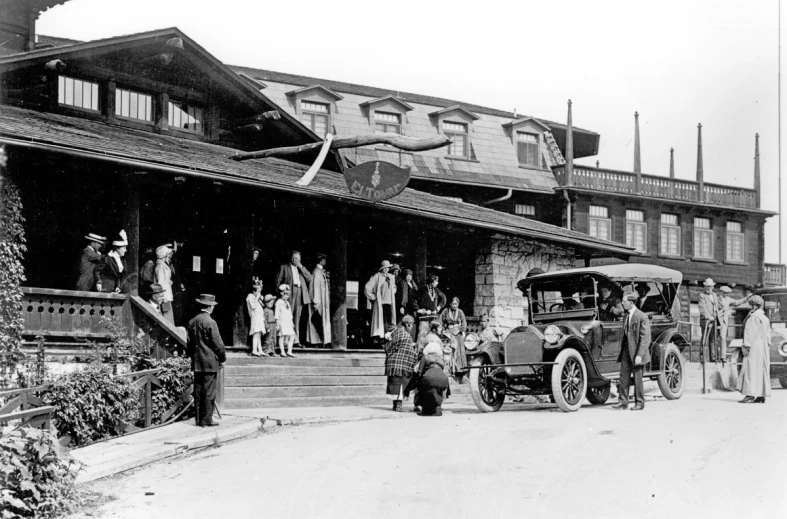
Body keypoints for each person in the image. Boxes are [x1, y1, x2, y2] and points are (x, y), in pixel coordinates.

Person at [186, 293, 226, 428]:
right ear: (209, 307)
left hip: (197, 361)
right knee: (209, 391)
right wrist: (222, 358)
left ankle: (199, 419)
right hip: (209, 361)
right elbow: (218, 344)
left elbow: (189, 345)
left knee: (198, 390)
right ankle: (207, 419)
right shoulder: (210, 322)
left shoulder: (192, 321)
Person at [612, 293, 651, 411]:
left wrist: (639, 355)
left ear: (631, 303)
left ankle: (639, 403)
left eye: (624, 301)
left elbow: (645, 338)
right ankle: (622, 402)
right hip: (626, 352)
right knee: (623, 377)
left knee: (638, 378)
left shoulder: (642, 316)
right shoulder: (626, 315)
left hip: (637, 353)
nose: (622, 303)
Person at [737, 295, 771, 403]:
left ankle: (750, 394)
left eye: (752, 305)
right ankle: (762, 395)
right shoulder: (765, 318)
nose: (751, 307)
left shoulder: (753, 318)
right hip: (763, 347)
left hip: (754, 346)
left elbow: (749, 333)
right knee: (761, 369)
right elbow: (769, 336)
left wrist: (746, 346)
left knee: (750, 368)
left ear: (755, 306)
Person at [275, 251, 313, 347]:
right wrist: (282, 293)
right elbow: (277, 282)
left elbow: (310, 278)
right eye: (293, 258)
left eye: (296, 258)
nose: (294, 260)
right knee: (287, 316)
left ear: (300, 260)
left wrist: (301, 266)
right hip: (289, 293)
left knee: (297, 317)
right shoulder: (284, 267)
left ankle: (295, 340)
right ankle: (285, 341)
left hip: (300, 292)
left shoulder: (301, 269)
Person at [382, 317, 419, 412]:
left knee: (396, 384)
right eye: (411, 325)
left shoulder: (397, 333)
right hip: (400, 364)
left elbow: (389, 346)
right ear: (407, 324)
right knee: (400, 385)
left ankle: (396, 405)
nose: (411, 328)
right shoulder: (404, 334)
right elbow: (406, 350)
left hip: (393, 364)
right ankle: (398, 405)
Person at [364, 260, 397, 342]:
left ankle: (388, 338)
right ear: (381, 269)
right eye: (384, 268)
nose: (386, 270)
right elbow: (367, 287)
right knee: (382, 321)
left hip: (389, 302)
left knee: (389, 322)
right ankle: (382, 339)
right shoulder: (377, 276)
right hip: (381, 303)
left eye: (388, 268)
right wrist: (373, 297)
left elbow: (394, 288)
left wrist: (391, 293)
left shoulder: (391, 277)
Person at [307, 253, 331, 347]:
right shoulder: (317, 272)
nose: (325, 261)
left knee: (321, 320)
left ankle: (321, 340)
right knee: (318, 320)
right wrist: (316, 301)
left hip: (322, 300)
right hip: (319, 301)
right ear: (321, 260)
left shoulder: (321, 272)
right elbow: (315, 287)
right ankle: (316, 341)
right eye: (324, 259)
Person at [440, 297, 468, 375]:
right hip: (448, 334)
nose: (454, 306)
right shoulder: (445, 311)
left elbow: (464, 324)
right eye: (453, 304)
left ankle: (459, 370)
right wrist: (443, 330)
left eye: (456, 304)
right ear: (450, 304)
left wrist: (460, 330)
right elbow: (440, 322)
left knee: (458, 351)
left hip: (457, 333)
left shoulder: (460, 312)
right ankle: (449, 370)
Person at [698, 278, 721, 362]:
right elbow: (702, 307)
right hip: (706, 321)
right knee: (704, 339)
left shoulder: (714, 295)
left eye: (710, 286)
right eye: (707, 286)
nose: (709, 288)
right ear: (705, 286)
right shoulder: (702, 295)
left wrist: (717, 316)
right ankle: (702, 358)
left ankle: (713, 358)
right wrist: (708, 316)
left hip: (714, 320)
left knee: (713, 340)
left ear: (713, 286)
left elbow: (717, 306)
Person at [154, 244, 175, 324]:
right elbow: (160, 283)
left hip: (166, 295)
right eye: (167, 254)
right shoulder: (160, 266)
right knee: (167, 319)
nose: (169, 256)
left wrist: (168, 281)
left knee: (168, 317)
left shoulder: (162, 265)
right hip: (164, 297)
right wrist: (163, 297)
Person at [246, 278, 266, 357]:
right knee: (256, 333)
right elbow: (253, 306)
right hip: (255, 317)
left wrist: (260, 299)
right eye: (258, 291)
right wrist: (257, 298)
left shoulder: (256, 297)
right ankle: (254, 350)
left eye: (260, 291)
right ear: (253, 291)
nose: (259, 293)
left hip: (259, 317)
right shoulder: (250, 296)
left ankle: (260, 349)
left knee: (259, 334)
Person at [275, 284, 296, 358]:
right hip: (282, 322)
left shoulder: (287, 303)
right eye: (285, 295)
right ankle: (282, 351)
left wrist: (292, 322)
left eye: (288, 295)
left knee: (292, 335)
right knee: (282, 336)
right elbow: (277, 314)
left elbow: (290, 314)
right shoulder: (279, 302)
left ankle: (289, 351)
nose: (287, 296)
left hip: (288, 322)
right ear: (281, 294)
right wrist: (277, 324)